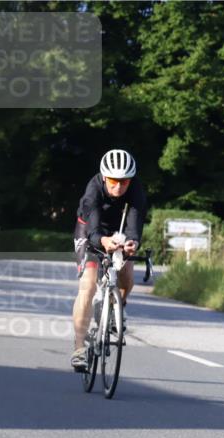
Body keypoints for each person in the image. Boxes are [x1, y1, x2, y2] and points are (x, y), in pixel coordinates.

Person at [70, 149, 147, 370]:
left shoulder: (136, 191)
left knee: (127, 277)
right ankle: (79, 348)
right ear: (105, 177)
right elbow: (93, 232)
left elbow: (135, 224)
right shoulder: (93, 191)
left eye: (124, 182)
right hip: (90, 230)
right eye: (113, 181)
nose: (118, 187)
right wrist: (103, 241)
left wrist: (133, 243)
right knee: (88, 285)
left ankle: (115, 306)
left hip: (119, 228)